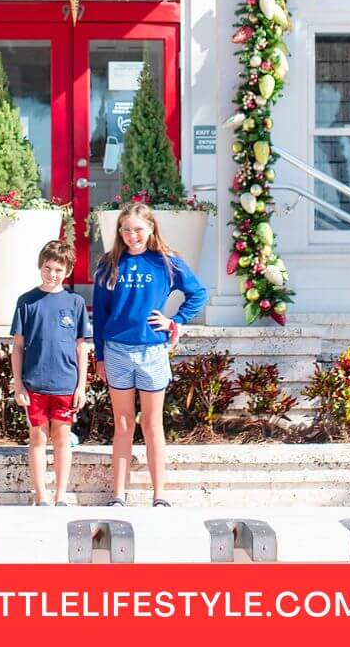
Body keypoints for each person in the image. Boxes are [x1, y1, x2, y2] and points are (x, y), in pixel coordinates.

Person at [92, 203, 208, 507]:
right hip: (116, 351)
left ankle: (160, 496)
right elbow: (101, 315)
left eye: (139, 229)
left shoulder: (167, 263)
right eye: (127, 230)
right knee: (124, 423)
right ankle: (118, 495)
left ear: (151, 228)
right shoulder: (109, 264)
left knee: (152, 424)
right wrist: (100, 355)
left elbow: (198, 294)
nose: (133, 236)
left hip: (152, 351)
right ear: (119, 232)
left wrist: (175, 322)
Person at [10, 239, 90, 506]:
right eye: (48, 268)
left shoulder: (75, 302)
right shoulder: (27, 302)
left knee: (62, 439)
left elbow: (82, 348)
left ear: (67, 271)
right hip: (35, 384)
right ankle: (41, 495)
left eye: (58, 269)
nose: (52, 274)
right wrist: (19, 385)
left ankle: (60, 494)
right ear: (40, 267)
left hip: (66, 384)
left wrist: (81, 386)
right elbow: (18, 348)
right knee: (38, 438)